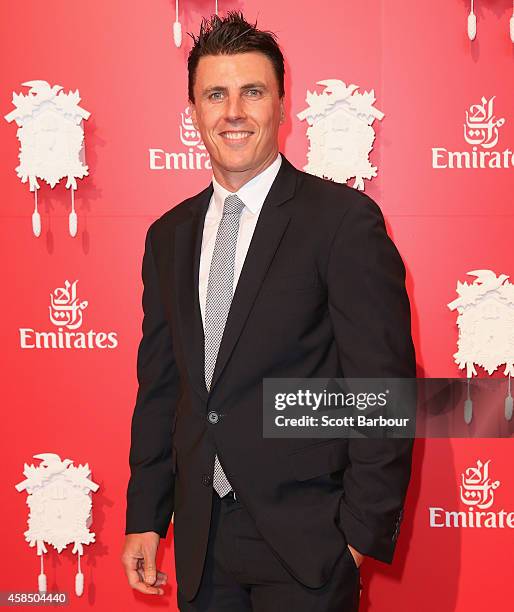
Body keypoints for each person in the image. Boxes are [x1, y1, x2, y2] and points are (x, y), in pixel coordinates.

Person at [121, 11, 416, 612]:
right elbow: (162, 388)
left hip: (307, 540)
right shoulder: (168, 236)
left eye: (252, 92)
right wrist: (146, 514)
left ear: (282, 105)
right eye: (215, 95)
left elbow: (383, 390)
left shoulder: (341, 222)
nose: (233, 112)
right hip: (203, 537)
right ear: (194, 113)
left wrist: (357, 537)